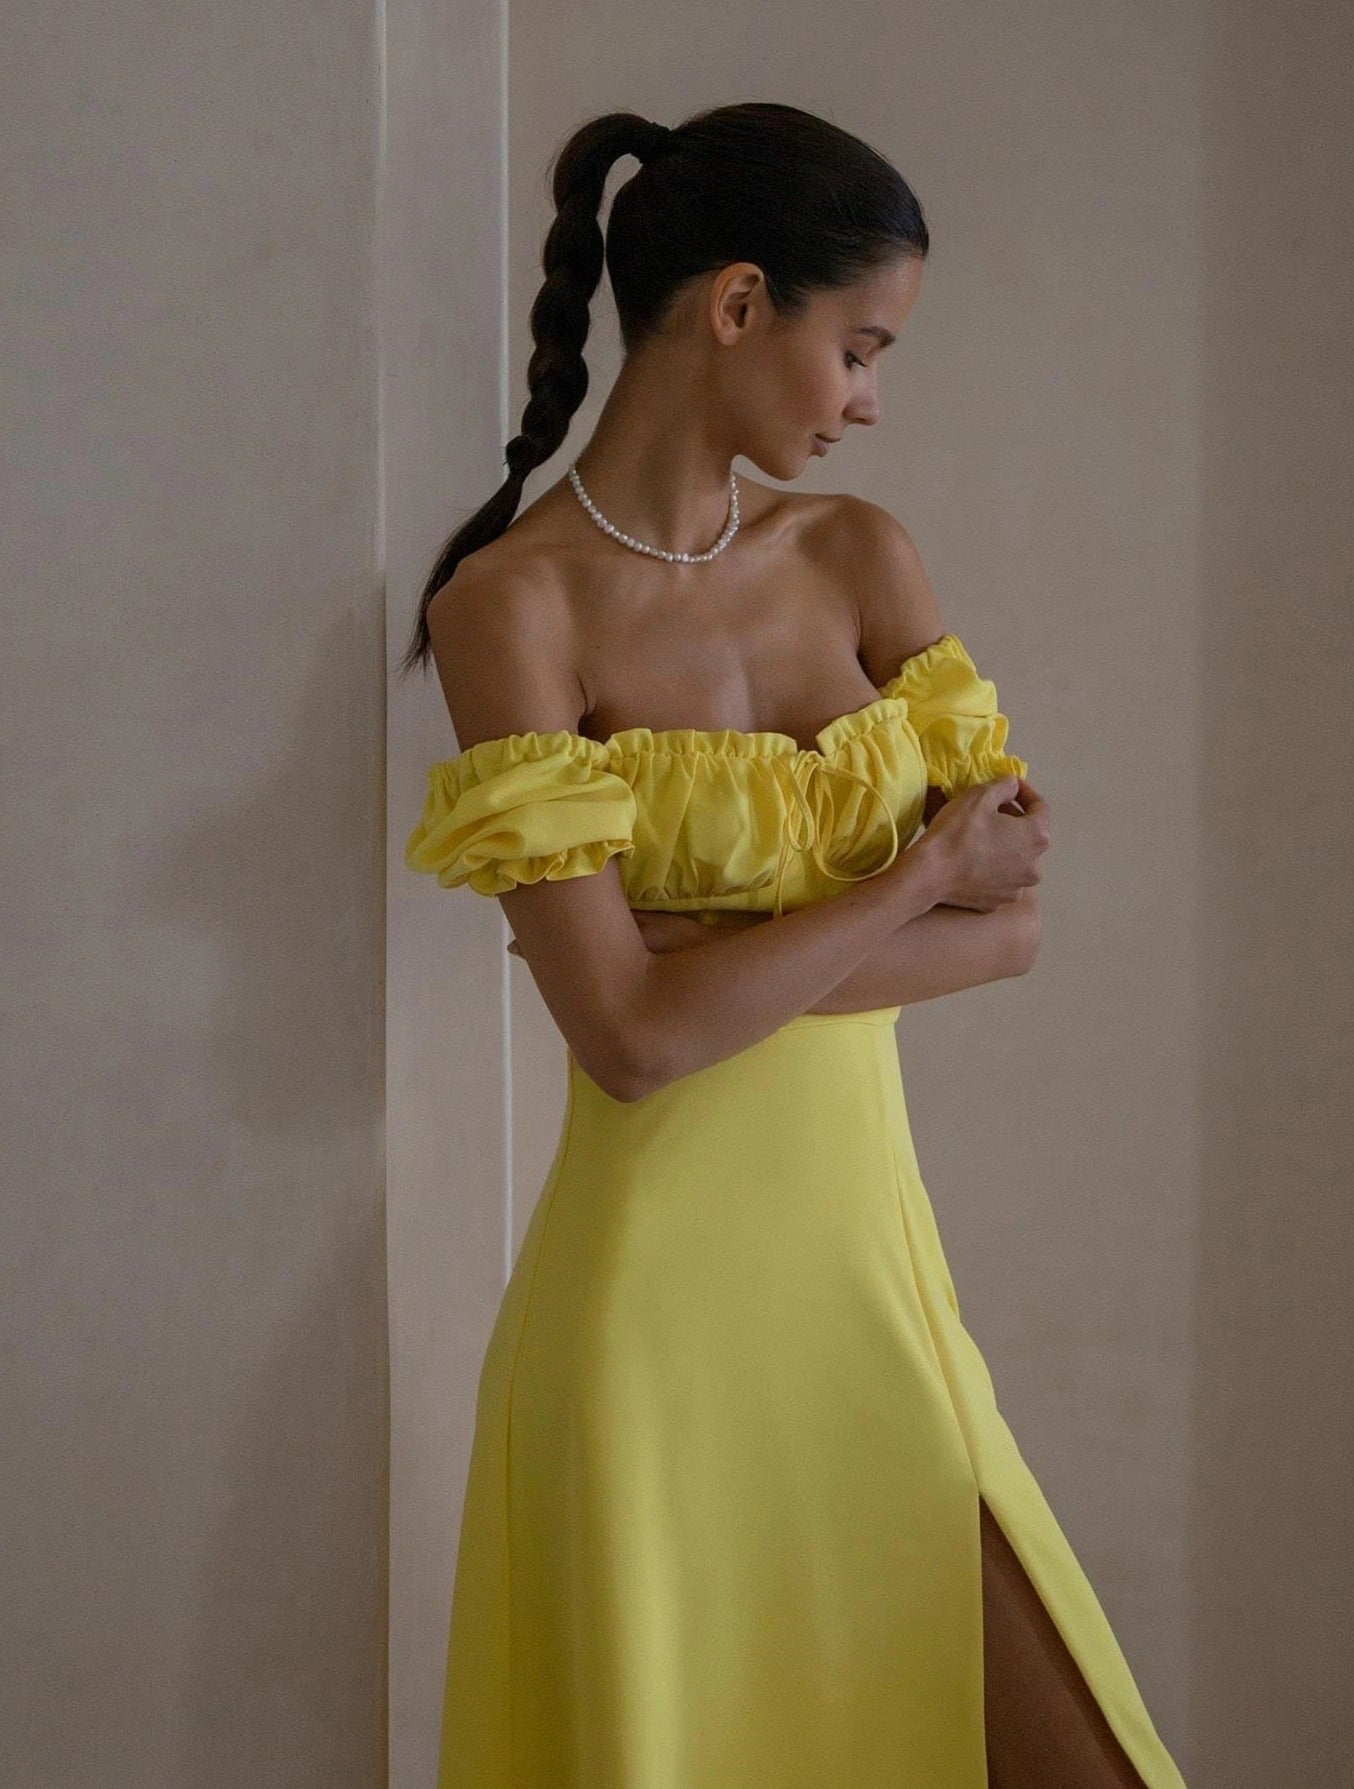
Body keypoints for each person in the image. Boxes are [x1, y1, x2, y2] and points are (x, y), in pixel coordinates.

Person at [400, 101, 1187, 1789]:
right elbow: (631, 1043)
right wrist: (913, 876)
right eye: (860, 348)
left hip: (869, 1290)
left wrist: (707, 954)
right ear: (740, 303)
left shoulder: (855, 556)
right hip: (650, 1329)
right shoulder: (507, 608)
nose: (868, 400)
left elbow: (1015, 928)